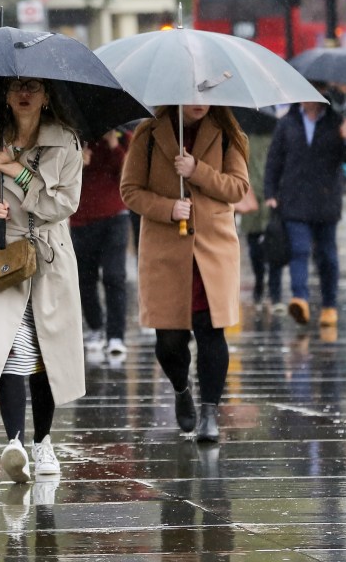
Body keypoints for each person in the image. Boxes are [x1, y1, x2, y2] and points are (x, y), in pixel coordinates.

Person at [0, 77, 85, 484]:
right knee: (7, 347)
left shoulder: (66, 141)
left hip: (49, 257)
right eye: (15, 88)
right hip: (1, 255)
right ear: (6, 96)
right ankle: (13, 441)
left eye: (32, 87)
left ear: (46, 96)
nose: (23, 94)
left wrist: (18, 173)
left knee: (47, 352)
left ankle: (43, 441)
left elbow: (64, 203)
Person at [120, 105, 250, 442]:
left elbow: (237, 188)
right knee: (169, 342)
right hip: (165, 251)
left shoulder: (228, 133)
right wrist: (167, 208)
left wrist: (197, 171)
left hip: (213, 249)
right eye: (191, 93)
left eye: (204, 93)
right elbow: (130, 191)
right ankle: (181, 388)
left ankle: (210, 413)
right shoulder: (148, 133)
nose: (199, 102)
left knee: (211, 331)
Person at [264, 98, 346, 328]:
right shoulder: (287, 123)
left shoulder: (336, 121)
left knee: (327, 257)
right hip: (294, 199)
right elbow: (274, 159)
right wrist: (270, 192)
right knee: (299, 250)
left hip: (326, 200)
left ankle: (329, 305)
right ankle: (300, 299)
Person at [71, 127, 130, 361]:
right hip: (81, 218)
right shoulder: (74, 138)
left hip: (115, 217)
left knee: (114, 276)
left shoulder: (125, 138)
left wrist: (114, 145)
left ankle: (116, 335)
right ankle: (96, 327)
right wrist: (76, 161)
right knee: (85, 278)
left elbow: (128, 176)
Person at [242, 125, 285, 315]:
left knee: (275, 245)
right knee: (255, 247)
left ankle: (275, 292)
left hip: (271, 196)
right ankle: (260, 281)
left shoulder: (278, 134)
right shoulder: (241, 137)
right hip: (249, 196)